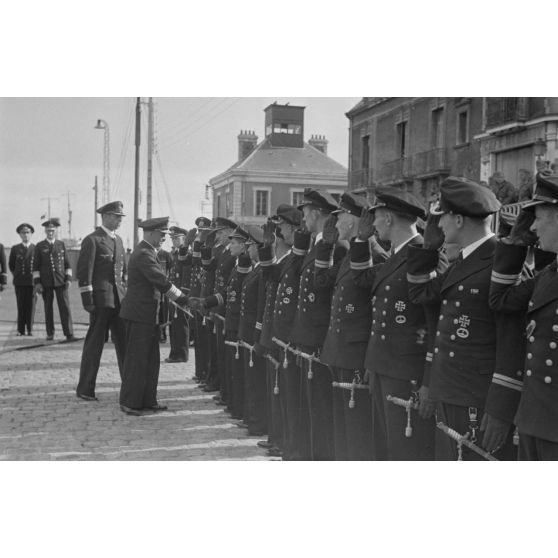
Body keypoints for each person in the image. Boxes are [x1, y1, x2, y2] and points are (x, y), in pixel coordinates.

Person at [406, 176, 516, 460]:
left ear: (458, 220)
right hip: (452, 392)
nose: (438, 225)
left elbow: (512, 341)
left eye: (442, 218)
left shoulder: (499, 262)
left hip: (477, 400)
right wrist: (427, 250)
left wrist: (500, 409)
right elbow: (422, 296)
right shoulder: (463, 261)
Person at [351, 188, 435, 460]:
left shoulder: (423, 254)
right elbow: (363, 281)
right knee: (386, 446)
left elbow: (432, 323)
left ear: (388, 218)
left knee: (404, 450)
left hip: (406, 372)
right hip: (383, 366)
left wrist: (427, 380)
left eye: (375, 218)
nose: (372, 225)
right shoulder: (397, 255)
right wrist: (362, 241)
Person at [488, 172, 558, 460]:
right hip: (533, 421)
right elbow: (501, 300)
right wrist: (514, 246)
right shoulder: (548, 275)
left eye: (538, 218)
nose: (533, 227)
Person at [290, 188, 344, 460]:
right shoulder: (316, 245)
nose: (304, 221)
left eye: (306, 213)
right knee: (310, 408)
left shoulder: (335, 247)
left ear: (315, 214)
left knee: (321, 410)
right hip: (307, 339)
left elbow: (327, 295)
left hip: (320, 342)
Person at [119, 217, 189, 416]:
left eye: (165, 235)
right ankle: (130, 402)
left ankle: (148, 400)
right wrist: (183, 299)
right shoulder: (143, 253)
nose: (164, 239)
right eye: (161, 235)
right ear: (149, 233)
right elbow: (161, 281)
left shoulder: (150, 251)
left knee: (151, 360)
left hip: (148, 315)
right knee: (136, 360)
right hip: (138, 315)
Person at [260, 205, 311, 459]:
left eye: (281, 228)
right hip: (282, 338)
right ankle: (285, 443)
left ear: (294, 228)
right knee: (285, 396)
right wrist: (266, 248)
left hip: (291, 340)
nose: (279, 233)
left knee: (292, 399)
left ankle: (292, 447)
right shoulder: (290, 257)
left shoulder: (301, 255)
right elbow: (271, 275)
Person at [75, 201, 127, 401]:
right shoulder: (93, 240)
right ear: (105, 217)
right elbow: (84, 272)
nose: (120, 220)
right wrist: (87, 300)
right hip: (100, 301)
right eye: (116, 216)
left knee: (124, 344)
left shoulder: (119, 240)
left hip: (119, 301)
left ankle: (128, 387)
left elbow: (123, 274)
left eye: (121, 217)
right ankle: (85, 388)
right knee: (94, 345)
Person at [238, 225, 267, 436]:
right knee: (250, 380)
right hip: (247, 332)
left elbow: (260, 308)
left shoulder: (263, 272)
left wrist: (256, 335)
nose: (247, 250)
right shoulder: (256, 269)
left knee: (256, 381)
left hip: (253, 333)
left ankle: (258, 422)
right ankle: (252, 417)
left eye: (250, 246)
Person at [32, 218, 75, 341]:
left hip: (61, 281)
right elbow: (35, 267)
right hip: (46, 283)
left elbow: (68, 264)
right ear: (45, 231)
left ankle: (69, 333)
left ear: (55, 231)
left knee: (65, 307)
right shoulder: (40, 246)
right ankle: (50, 333)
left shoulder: (61, 244)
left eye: (52, 230)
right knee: (48, 308)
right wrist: (38, 283)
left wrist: (68, 279)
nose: (50, 232)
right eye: (48, 230)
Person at [8, 223, 37, 336]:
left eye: (27, 232)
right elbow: (11, 265)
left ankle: (30, 329)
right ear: (20, 235)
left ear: (31, 234)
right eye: (23, 233)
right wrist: (17, 274)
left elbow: (38, 265)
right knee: (21, 305)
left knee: (31, 306)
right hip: (20, 282)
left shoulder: (35, 248)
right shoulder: (15, 249)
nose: (25, 235)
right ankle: (20, 330)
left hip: (32, 282)